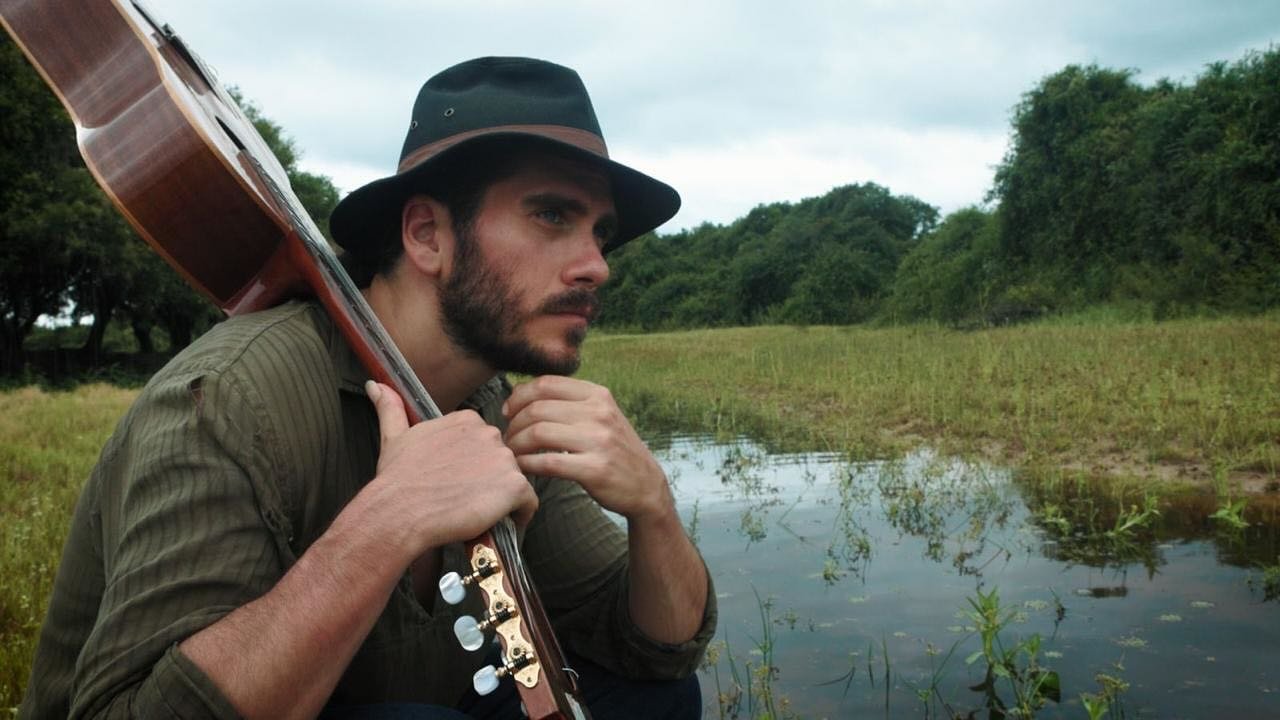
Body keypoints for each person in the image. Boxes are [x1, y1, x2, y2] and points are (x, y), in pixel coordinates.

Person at [20, 57, 715, 719]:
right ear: (426, 234)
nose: (597, 265)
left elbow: (654, 651)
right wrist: (389, 521)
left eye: (602, 233)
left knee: (657, 703)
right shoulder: (231, 395)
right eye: (553, 217)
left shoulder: (501, 409)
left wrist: (653, 507)